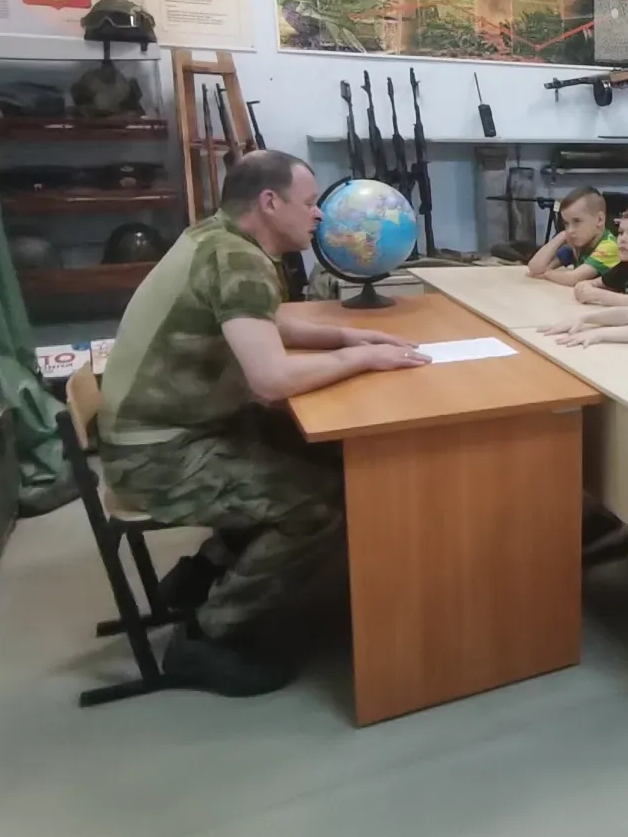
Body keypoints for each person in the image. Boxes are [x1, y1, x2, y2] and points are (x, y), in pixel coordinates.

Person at [99, 151, 430, 696]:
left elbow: (262, 322)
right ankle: (208, 635)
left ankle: (202, 574)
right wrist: (362, 358)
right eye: (309, 202)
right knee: (319, 504)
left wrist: (348, 337)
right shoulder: (238, 259)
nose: (319, 214)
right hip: (159, 458)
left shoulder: (215, 237)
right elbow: (271, 380)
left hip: (162, 432)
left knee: (316, 451)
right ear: (270, 203)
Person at [526, 187, 621, 288]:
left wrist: (546, 273)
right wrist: (561, 236)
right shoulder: (578, 243)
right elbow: (535, 268)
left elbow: (573, 279)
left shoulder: (610, 246)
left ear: (599, 220)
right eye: (566, 223)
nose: (570, 230)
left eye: (577, 221)